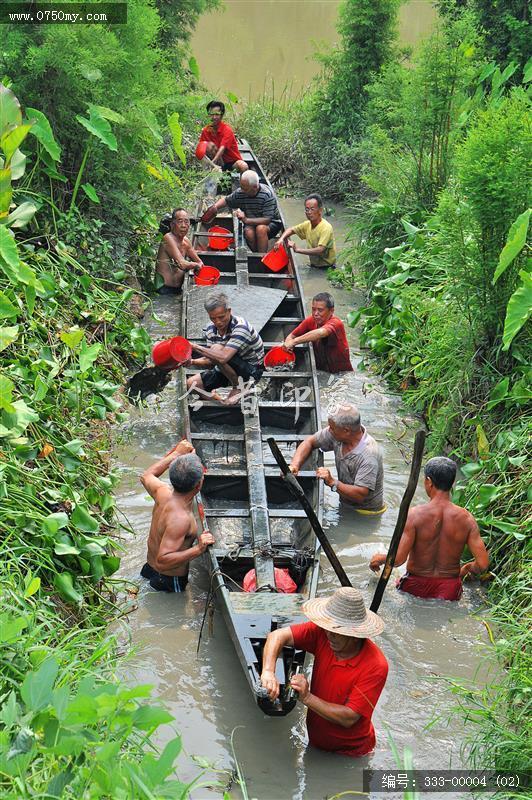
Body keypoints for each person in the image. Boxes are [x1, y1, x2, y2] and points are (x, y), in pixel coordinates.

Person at [260, 587, 388, 757]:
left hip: (352, 753)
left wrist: (307, 697)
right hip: (315, 742)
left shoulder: (375, 665)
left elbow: (349, 717)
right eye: (327, 628)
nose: (329, 635)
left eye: (336, 632)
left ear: (355, 633)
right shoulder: (323, 633)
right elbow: (276, 636)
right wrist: (268, 671)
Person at [369, 456, 489, 601]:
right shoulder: (467, 519)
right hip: (450, 590)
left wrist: (379, 559)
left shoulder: (414, 515)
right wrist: (465, 569)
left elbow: (399, 560)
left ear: (429, 482)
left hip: (414, 587)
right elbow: (482, 564)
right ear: (452, 484)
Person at [140, 440, 214, 592]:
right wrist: (198, 549)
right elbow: (163, 561)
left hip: (148, 568)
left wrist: (176, 454)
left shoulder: (162, 491)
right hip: (168, 579)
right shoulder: (181, 519)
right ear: (199, 485)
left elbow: (146, 475)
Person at [290, 405, 385, 514]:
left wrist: (332, 481)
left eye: (332, 428)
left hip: (366, 513)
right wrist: (294, 465)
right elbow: (309, 442)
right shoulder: (338, 435)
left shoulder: (368, 456)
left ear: (346, 430)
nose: (329, 430)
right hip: (345, 503)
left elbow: (360, 495)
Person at [186, 292, 264, 404]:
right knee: (191, 384)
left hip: (251, 370)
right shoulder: (210, 329)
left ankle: (238, 387)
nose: (218, 322)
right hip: (226, 369)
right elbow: (211, 360)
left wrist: (194, 347)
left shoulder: (241, 327)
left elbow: (222, 358)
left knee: (216, 348)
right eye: (213, 318)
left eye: (221, 317)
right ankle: (219, 400)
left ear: (229, 311)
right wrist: (192, 361)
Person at [202, 170, 282, 252]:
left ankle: (261, 256)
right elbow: (226, 200)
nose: (242, 191)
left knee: (260, 229)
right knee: (248, 233)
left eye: (245, 189)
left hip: (271, 223)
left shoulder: (267, 195)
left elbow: (267, 219)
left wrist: (246, 220)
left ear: (255, 187)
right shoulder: (241, 192)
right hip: (252, 221)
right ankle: (257, 254)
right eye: (242, 187)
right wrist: (215, 207)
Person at [283, 292, 353, 373]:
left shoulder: (336, 323)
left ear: (331, 311)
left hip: (342, 374)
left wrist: (294, 342)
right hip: (322, 371)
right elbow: (291, 335)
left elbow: (321, 332)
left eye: (320, 310)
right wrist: (288, 346)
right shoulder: (311, 321)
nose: (315, 314)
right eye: (313, 309)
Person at [274, 193, 336, 269]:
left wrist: (297, 250)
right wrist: (280, 240)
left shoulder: (326, 227)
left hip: (327, 268)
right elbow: (291, 230)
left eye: (312, 209)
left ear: (320, 210)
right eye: (307, 209)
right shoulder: (307, 225)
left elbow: (320, 250)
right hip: (314, 265)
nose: (309, 212)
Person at [156, 208, 204, 294]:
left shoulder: (186, 241)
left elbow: (199, 261)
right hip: (164, 289)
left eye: (186, 222)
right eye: (180, 221)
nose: (183, 225)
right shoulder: (167, 238)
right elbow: (182, 264)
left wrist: (198, 265)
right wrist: (196, 265)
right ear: (172, 225)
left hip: (178, 289)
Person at [198, 100, 247, 174]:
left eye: (217, 114)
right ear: (208, 115)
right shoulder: (205, 131)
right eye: (211, 114)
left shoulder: (227, 129)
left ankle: (242, 183)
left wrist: (213, 162)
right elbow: (201, 149)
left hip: (231, 163)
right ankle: (216, 171)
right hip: (218, 163)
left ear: (222, 115)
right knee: (209, 145)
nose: (214, 117)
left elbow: (222, 148)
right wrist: (208, 165)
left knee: (243, 166)